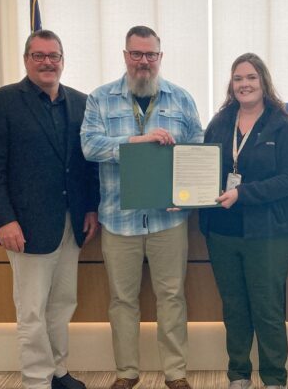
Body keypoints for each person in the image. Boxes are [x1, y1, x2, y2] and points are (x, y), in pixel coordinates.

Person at [0, 29, 100, 389]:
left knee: (63, 304)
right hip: (25, 226)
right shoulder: (2, 101)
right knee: (31, 311)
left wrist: (90, 208)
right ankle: (36, 380)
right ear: (26, 59)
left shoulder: (81, 102)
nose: (48, 62)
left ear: (63, 60)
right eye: (39, 55)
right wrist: (4, 219)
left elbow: (85, 164)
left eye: (54, 56)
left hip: (71, 223)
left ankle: (58, 372)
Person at [80, 25, 202, 389]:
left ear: (160, 57)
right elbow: (89, 147)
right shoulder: (100, 99)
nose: (143, 61)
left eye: (150, 54)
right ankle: (126, 373)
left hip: (169, 220)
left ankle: (176, 374)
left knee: (172, 297)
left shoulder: (181, 98)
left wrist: (189, 196)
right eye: (136, 54)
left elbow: (196, 149)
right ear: (125, 56)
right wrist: (136, 142)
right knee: (121, 300)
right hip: (119, 220)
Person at [199, 53, 288, 389]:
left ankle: (274, 377)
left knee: (267, 307)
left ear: (263, 82)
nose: (244, 84)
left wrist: (243, 193)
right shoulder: (220, 122)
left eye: (250, 78)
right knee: (234, 306)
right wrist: (182, 196)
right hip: (222, 230)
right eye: (238, 79)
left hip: (269, 231)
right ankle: (239, 374)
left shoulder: (283, 124)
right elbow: (204, 169)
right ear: (231, 85)